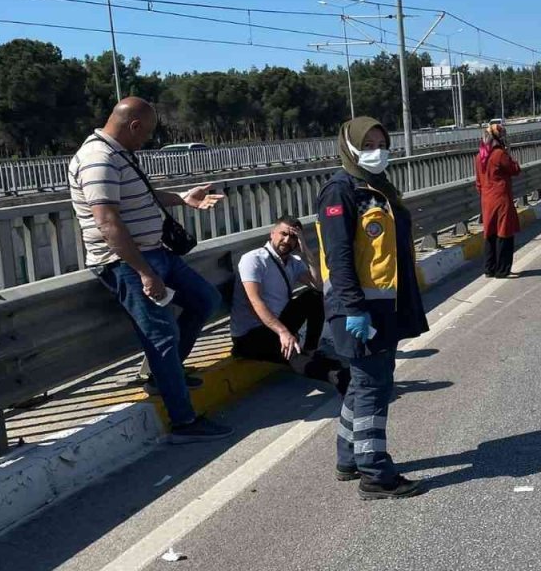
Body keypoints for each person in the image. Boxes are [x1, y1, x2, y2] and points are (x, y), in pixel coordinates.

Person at [69, 97, 232, 443]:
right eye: (148, 133)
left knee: (205, 299)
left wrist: (183, 199)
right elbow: (107, 221)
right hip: (126, 264)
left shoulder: (117, 152)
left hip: (156, 252)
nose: (148, 140)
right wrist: (144, 272)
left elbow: (141, 196)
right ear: (133, 126)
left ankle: (165, 374)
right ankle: (184, 422)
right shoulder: (97, 159)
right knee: (161, 335)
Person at [316, 116, 430, 500]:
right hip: (359, 308)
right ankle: (375, 474)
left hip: (383, 307)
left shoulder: (375, 186)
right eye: (367, 145)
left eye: (382, 142)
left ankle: (349, 458)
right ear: (349, 147)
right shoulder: (340, 192)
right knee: (373, 388)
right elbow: (340, 256)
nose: (377, 151)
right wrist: (353, 309)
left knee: (364, 383)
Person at [230, 215, 348, 394]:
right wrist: (283, 332)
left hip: (277, 323)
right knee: (292, 353)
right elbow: (256, 302)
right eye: (283, 234)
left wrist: (305, 249)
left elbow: (318, 286)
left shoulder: (294, 262)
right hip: (251, 333)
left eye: (293, 237)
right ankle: (333, 376)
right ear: (272, 233)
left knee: (314, 296)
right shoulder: (253, 259)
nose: (287, 240)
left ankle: (310, 350)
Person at [475, 123, 522, 278]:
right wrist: (509, 153)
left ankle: (489, 268)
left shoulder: (479, 156)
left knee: (490, 233)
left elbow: (478, 182)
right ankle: (502, 270)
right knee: (504, 233)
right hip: (501, 198)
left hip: (486, 199)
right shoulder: (499, 154)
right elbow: (515, 169)